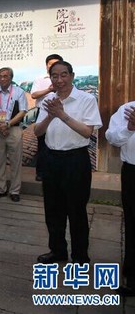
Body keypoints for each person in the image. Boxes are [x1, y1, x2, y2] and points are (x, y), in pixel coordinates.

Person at [34, 60, 101, 266]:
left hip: (75, 160)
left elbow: (87, 132)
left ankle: (80, 255)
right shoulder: (49, 100)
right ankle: (57, 251)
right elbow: (37, 131)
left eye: (64, 75)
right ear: (50, 78)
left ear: (72, 76)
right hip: (52, 159)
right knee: (53, 210)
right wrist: (50, 116)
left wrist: (62, 114)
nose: (59, 80)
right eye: (55, 75)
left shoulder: (86, 99)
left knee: (76, 210)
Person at [106, 101, 135, 296]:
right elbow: (111, 138)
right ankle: (131, 276)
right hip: (132, 172)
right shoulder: (128, 109)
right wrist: (129, 128)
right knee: (132, 222)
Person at [0, 67, 28, 202]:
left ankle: (15, 190)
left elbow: (22, 111)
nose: (2, 79)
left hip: (14, 129)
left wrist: (8, 124)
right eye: (0, 76)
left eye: (5, 76)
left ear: (11, 78)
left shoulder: (19, 92)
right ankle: (1, 189)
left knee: (15, 161)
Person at [30, 54, 63, 181]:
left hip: (60, 113)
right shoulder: (40, 79)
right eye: (50, 64)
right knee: (42, 143)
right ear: (46, 65)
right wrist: (49, 90)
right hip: (43, 113)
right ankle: (41, 172)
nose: (53, 66)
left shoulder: (63, 79)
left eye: (56, 63)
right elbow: (34, 95)